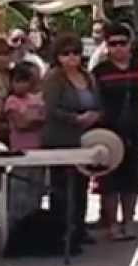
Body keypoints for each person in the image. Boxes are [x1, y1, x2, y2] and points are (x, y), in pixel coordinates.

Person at [42, 33, 102, 251]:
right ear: (57, 56)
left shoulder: (88, 77)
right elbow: (50, 109)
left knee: (81, 184)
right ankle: (61, 230)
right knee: (61, 187)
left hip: (84, 138)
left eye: (75, 53)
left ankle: (79, 227)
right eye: (65, 53)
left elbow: (97, 101)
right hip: (60, 137)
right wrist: (74, 118)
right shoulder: (53, 78)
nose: (71, 58)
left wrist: (95, 114)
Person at [92, 23, 138, 240]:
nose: (118, 48)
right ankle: (112, 224)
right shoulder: (100, 71)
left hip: (135, 130)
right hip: (108, 130)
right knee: (109, 181)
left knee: (132, 180)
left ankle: (129, 222)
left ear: (130, 44)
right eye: (112, 44)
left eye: (122, 43)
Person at [5, 62, 46, 227]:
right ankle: (16, 225)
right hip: (20, 152)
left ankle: (33, 223)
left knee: (36, 190)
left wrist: (33, 120)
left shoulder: (37, 99)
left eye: (24, 81)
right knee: (19, 190)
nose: (20, 85)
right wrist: (35, 120)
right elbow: (21, 124)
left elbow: (44, 118)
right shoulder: (11, 101)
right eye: (17, 81)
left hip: (39, 150)